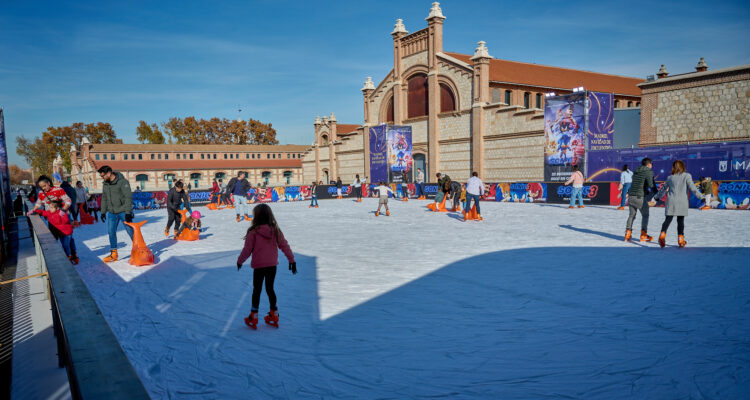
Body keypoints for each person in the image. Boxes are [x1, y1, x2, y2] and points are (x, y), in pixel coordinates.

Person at [236, 204, 296, 330]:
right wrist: (291, 260)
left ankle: (254, 315)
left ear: (256, 217)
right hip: (272, 265)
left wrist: (240, 261)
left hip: (259, 266)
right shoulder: (275, 231)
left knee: (257, 290)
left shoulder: (254, 232)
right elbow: (284, 246)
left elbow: (247, 250)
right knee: (270, 288)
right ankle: (274, 314)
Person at [653, 160, 702, 248]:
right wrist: (701, 197)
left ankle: (662, 235)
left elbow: (663, 189)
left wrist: (657, 197)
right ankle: (680, 239)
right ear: (683, 167)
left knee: (668, 220)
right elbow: (693, 188)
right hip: (682, 202)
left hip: (671, 201)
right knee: (680, 221)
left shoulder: (670, 177)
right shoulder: (687, 176)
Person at [97, 165, 135, 263]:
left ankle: (139, 249)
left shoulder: (123, 182)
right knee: (111, 232)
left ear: (109, 173)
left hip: (123, 211)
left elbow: (128, 197)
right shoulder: (105, 184)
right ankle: (114, 254)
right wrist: (103, 212)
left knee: (130, 231)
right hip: (112, 213)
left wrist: (128, 212)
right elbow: (104, 198)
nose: (102, 178)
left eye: (103, 175)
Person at [29, 199, 78, 264]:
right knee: (65, 245)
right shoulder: (49, 212)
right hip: (60, 233)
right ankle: (70, 255)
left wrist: (59, 214)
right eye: (49, 207)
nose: (50, 209)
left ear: (57, 208)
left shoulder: (62, 213)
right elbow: (43, 212)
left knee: (66, 245)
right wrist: (35, 212)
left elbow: (65, 221)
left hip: (67, 232)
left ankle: (69, 256)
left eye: (52, 208)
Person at [625, 158, 659, 242]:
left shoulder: (636, 171)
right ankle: (643, 234)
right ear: (648, 164)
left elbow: (638, 183)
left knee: (631, 215)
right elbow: (652, 185)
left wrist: (645, 190)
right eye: (652, 164)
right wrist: (657, 194)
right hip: (639, 197)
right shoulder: (649, 171)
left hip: (631, 196)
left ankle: (627, 233)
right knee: (645, 215)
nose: (652, 166)